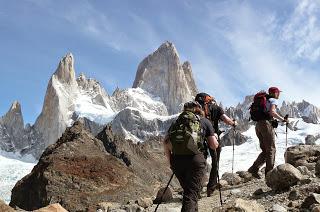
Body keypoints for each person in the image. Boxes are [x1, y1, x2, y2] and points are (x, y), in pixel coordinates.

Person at [163, 101, 219, 212]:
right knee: (191, 195)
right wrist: (215, 137)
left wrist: (170, 162)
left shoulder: (176, 122)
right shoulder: (204, 121)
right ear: (199, 109)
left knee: (189, 192)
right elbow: (213, 145)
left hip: (177, 162)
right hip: (195, 161)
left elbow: (165, 142)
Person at [194, 93, 237, 197]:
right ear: (209, 100)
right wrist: (234, 123)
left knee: (199, 163)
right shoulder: (216, 108)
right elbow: (226, 120)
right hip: (213, 137)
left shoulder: (194, 108)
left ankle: (196, 189)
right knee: (215, 162)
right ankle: (211, 188)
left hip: (198, 138)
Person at [248, 87, 288, 178]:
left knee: (265, 150)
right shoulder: (273, 100)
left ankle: (253, 170)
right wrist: (283, 120)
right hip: (266, 125)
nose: (279, 94)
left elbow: (267, 113)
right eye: (278, 92)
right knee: (271, 149)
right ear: (274, 93)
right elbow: (272, 112)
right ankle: (269, 174)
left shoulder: (264, 100)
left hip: (258, 125)